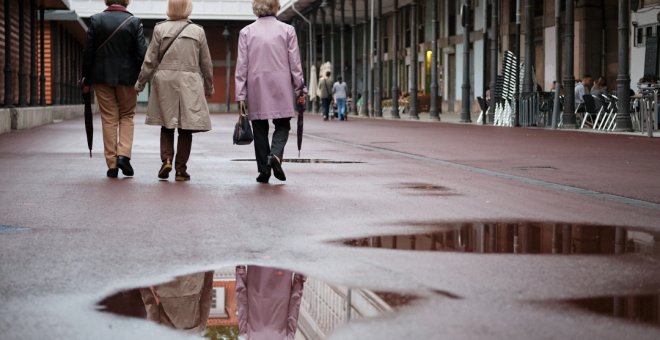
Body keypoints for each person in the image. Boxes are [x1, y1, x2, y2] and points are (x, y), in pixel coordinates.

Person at [135, 0, 214, 182]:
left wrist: (140, 83)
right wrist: (208, 86)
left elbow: (150, 60)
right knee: (186, 127)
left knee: (167, 123)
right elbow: (206, 63)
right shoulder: (197, 31)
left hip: (165, 81)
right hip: (190, 81)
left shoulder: (160, 29)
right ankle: (180, 170)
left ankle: (167, 159)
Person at [235, 0, 307, 183]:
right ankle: (275, 155)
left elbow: (241, 66)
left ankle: (264, 170)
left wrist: (240, 94)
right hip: (281, 82)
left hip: (256, 84)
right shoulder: (287, 30)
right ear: (276, 6)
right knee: (282, 124)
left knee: (259, 127)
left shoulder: (246, 32)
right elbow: (295, 63)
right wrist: (300, 88)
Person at [81, 0, 147, 178]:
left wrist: (85, 77)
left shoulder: (95, 20)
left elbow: (88, 53)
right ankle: (123, 156)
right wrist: (142, 78)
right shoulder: (134, 22)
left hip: (101, 77)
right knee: (127, 115)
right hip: (127, 78)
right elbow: (142, 54)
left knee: (109, 118)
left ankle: (111, 165)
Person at [235, 265, 305, 340]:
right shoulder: (246, 335)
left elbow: (294, 305)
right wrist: (240, 271)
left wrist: (300, 276)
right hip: (257, 272)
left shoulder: (287, 338)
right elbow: (242, 302)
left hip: (282, 272)